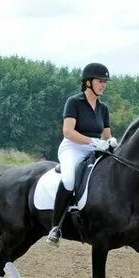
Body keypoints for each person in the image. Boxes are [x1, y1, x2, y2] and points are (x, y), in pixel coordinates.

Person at [47, 62, 117, 246]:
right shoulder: (74, 102)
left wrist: (111, 141)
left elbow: (107, 135)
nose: (104, 84)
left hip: (95, 148)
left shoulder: (103, 108)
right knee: (69, 179)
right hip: (73, 147)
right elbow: (68, 132)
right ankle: (55, 227)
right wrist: (93, 141)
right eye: (100, 80)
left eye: (105, 81)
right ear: (88, 82)